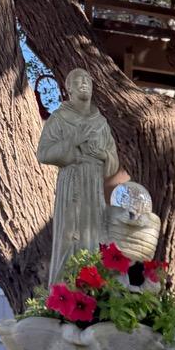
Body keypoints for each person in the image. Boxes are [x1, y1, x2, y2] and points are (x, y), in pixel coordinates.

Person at [37, 68, 120, 284]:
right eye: (77, 80)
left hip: (94, 184)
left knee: (96, 235)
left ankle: (94, 284)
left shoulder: (101, 123)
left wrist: (102, 154)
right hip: (72, 180)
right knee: (70, 234)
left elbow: (112, 161)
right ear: (69, 89)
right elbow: (44, 153)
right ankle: (64, 289)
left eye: (87, 80)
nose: (84, 83)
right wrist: (74, 140)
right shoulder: (59, 118)